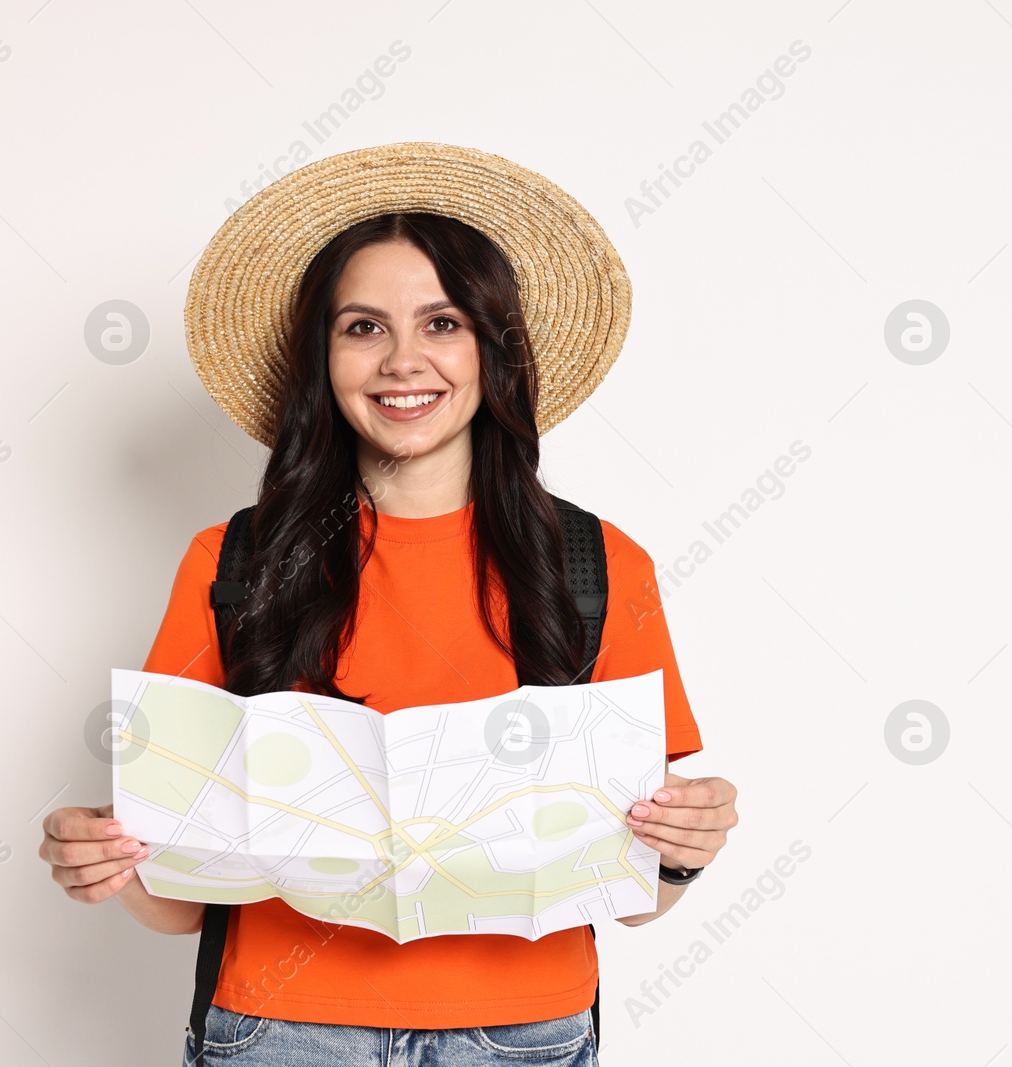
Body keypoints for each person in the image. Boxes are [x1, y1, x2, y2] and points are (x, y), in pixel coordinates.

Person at [36, 143, 739, 1066]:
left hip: (523, 1035)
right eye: (362, 327)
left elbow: (635, 892)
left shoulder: (598, 565)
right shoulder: (234, 561)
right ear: (322, 357)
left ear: (495, 348)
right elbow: (174, 903)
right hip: (279, 1032)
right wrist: (109, 859)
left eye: (442, 322)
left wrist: (684, 845)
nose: (404, 360)